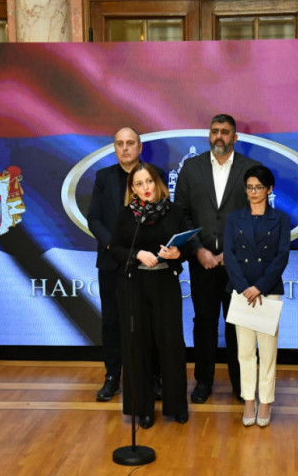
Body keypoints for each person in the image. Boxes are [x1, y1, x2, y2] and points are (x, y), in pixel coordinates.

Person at [174, 114, 260, 404]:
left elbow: (257, 215)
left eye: (225, 132)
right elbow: (181, 214)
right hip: (203, 262)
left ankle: (241, 385)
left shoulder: (251, 169)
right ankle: (203, 382)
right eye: (214, 132)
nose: (219, 137)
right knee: (204, 323)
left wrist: (233, 253)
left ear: (235, 137)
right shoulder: (191, 168)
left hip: (239, 265)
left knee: (239, 327)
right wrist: (198, 250)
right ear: (208, 136)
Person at [109, 162, 190, 428]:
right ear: (132, 189)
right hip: (135, 285)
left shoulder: (174, 211)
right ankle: (142, 409)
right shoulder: (126, 215)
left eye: (149, 182)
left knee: (171, 344)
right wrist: (136, 255)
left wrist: (178, 254)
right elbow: (115, 248)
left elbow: (187, 246)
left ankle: (176, 405)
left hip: (166, 282)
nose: (145, 188)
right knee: (138, 346)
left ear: (158, 183)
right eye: (139, 184)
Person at [87, 127, 163, 402]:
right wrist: (114, 244)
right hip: (112, 262)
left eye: (130, 143)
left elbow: (163, 214)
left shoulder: (153, 176)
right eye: (119, 143)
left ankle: (154, 378)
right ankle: (112, 377)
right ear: (114, 148)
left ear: (140, 147)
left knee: (150, 322)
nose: (125, 148)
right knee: (112, 322)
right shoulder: (103, 178)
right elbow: (93, 218)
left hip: (147, 262)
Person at [223, 165, 290, 427]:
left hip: (268, 291)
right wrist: (244, 287)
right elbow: (229, 255)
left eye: (258, 187)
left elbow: (281, 257)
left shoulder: (281, 220)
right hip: (241, 293)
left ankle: (266, 402)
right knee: (245, 351)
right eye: (249, 187)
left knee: (268, 351)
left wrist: (259, 287)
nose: (253, 192)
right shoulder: (234, 218)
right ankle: (248, 399)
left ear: (269, 189)